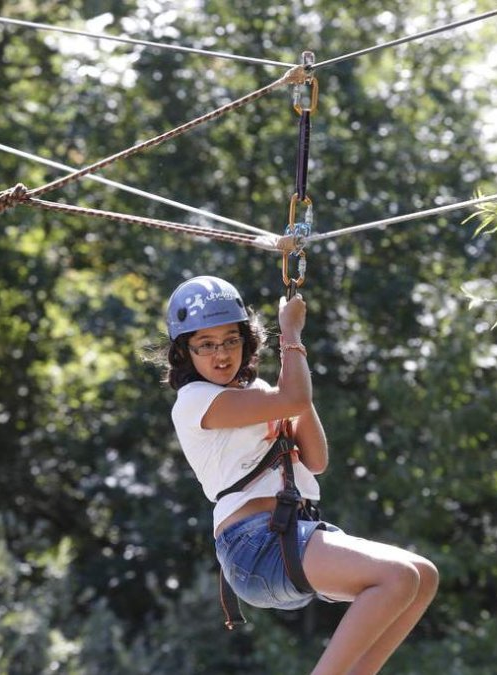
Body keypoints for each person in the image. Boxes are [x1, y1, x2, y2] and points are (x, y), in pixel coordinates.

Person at [161, 275, 439, 675]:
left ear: (246, 342)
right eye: (206, 344)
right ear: (185, 353)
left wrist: (290, 387)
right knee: (395, 579)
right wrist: (290, 333)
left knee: (422, 578)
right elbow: (293, 397)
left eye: (231, 340)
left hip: (290, 533)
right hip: (254, 544)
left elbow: (317, 458)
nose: (221, 354)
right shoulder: (194, 401)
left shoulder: (260, 394)